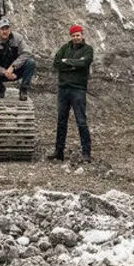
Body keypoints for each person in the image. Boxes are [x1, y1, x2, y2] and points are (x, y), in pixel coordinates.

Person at [50, 23, 93, 163]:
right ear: (71, 36)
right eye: (74, 35)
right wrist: (74, 64)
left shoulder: (88, 50)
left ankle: (86, 152)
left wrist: (66, 62)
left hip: (78, 89)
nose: (76, 38)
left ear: (82, 35)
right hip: (63, 89)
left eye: (78, 35)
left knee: (81, 121)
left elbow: (84, 63)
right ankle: (59, 151)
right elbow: (56, 63)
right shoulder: (64, 48)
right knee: (61, 121)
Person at [0, 18, 36, 101]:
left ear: (9, 30)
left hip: (16, 70)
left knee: (31, 63)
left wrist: (13, 67)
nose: (5, 31)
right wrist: (5, 72)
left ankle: (24, 90)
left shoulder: (18, 38)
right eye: (2, 29)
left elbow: (27, 52)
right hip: (0, 73)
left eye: (6, 29)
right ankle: (0, 89)